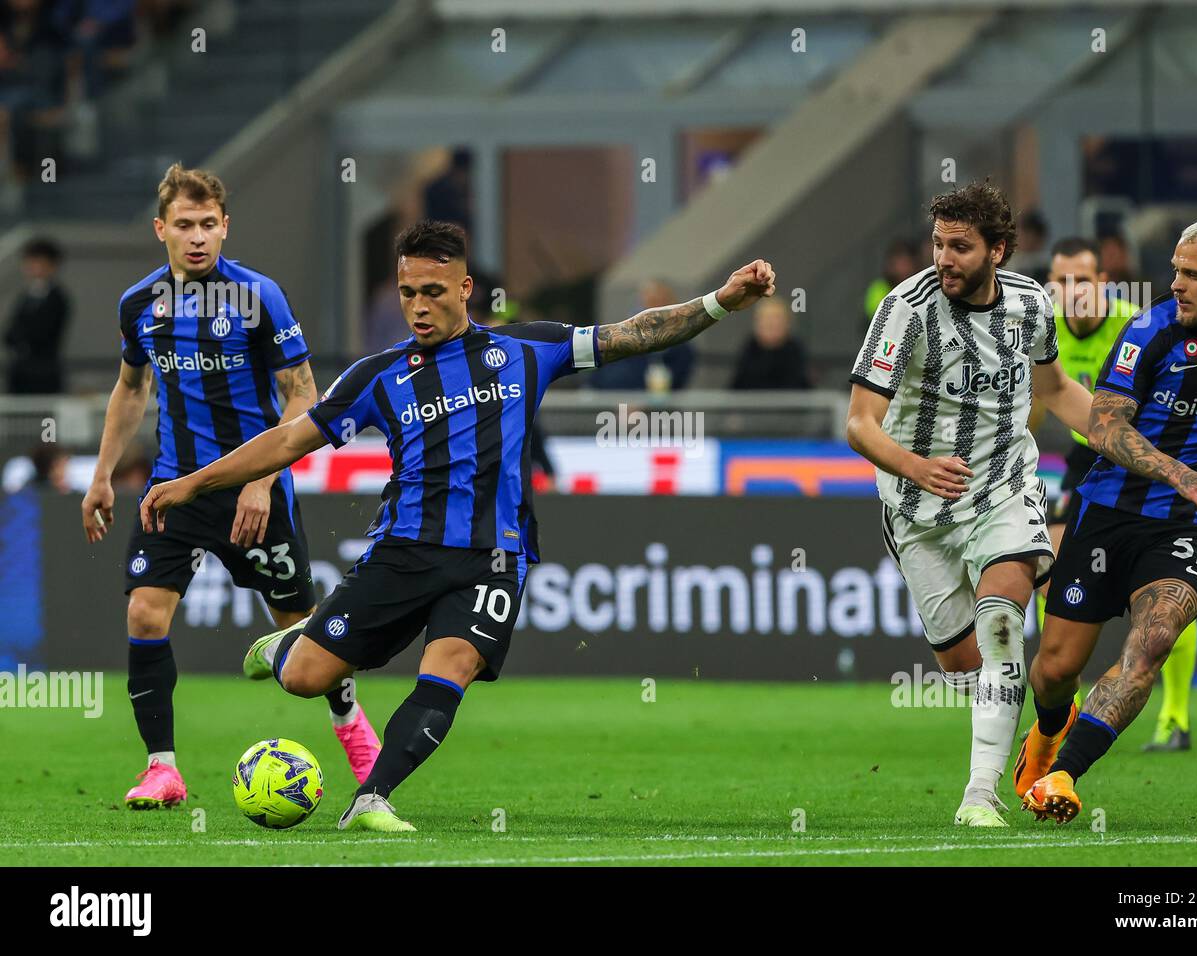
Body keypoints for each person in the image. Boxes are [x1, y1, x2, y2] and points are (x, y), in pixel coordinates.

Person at [138, 220, 776, 832]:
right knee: (307, 678)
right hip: (402, 554)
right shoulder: (377, 375)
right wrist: (192, 483)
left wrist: (720, 302)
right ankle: (284, 647)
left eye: (433, 292)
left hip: (493, 557)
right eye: (407, 292)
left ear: (465, 290)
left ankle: (371, 798)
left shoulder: (528, 349)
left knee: (453, 666)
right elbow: (285, 443)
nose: (418, 306)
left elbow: (635, 334)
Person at [80, 163, 380, 810]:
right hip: (174, 487)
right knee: (143, 611)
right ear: (160, 229)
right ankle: (163, 770)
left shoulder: (259, 296)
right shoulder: (139, 304)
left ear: (226, 227)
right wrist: (102, 475)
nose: (197, 237)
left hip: (257, 493)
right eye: (184, 225)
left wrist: (263, 479)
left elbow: (303, 395)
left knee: (301, 629)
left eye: (208, 225)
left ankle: (353, 730)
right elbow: (132, 389)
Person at [844, 181, 1094, 827]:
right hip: (917, 505)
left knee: (1004, 622)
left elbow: (1058, 390)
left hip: (1003, 489)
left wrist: (1136, 447)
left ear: (998, 251)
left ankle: (980, 795)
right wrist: (918, 467)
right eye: (938, 243)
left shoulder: (1032, 304)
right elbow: (860, 424)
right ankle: (1022, 717)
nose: (944, 258)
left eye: (960, 246)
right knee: (963, 663)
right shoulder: (905, 307)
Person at [1021, 218, 1197, 823]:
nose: (1177, 285)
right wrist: (1182, 475)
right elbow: (1105, 426)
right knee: (1057, 670)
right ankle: (1048, 735)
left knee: (1155, 638)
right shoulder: (1149, 329)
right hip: (1109, 509)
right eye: (1175, 271)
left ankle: (1064, 774)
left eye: (1193, 275)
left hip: (1186, 524)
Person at [1029, 237, 1197, 753]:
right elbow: (1033, 416)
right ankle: (1060, 698)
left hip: (1144, 461)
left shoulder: (1137, 327)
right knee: (1046, 566)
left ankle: (1175, 716)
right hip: (1087, 460)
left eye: (1082, 279)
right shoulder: (1043, 330)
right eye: (1060, 281)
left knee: (1162, 592)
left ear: (1103, 283)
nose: (1071, 290)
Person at [587, 279, 695, 390]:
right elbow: (597, 378)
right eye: (647, 303)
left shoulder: (679, 348)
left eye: (658, 303)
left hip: (649, 405)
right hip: (606, 401)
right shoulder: (618, 338)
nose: (651, 310)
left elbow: (672, 385)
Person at [4, 236, 70, 394]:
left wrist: (22, 339)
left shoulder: (57, 298)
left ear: (52, 265)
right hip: (19, 373)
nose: (33, 267)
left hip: (44, 374)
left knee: (44, 418)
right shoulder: (25, 296)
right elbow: (10, 332)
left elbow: (44, 332)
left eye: (39, 262)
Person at [730, 296, 811, 390]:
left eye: (776, 319)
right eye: (767, 320)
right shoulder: (748, 350)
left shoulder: (795, 352)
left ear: (787, 323)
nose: (772, 324)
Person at [863, 238, 918, 325]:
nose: (904, 268)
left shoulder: (919, 285)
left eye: (906, 263)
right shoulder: (880, 288)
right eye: (899, 263)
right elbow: (875, 317)